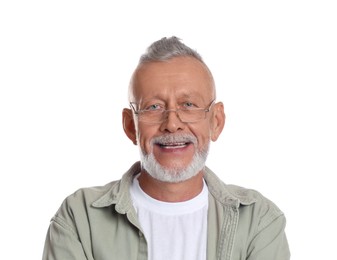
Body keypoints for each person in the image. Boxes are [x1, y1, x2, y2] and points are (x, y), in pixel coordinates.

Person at [42, 36, 290, 260]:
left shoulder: (259, 221)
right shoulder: (80, 218)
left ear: (216, 121)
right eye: (153, 107)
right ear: (131, 126)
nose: (172, 124)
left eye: (189, 104)